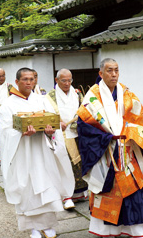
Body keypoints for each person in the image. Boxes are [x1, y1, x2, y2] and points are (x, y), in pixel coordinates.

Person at [77, 58, 143, 237]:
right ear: (101, 74)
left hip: (127, 151)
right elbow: (84, 126)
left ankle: (139, 229)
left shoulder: (126, 93)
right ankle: (106, 230)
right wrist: (107, 138)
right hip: (105, 153)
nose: (114, 74)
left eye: (116, 70)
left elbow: (140, 120)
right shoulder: (92, 97)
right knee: (107, 191)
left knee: (135, 189)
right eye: (109, 71)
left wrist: (131, 133)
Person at [0, 67, 75, 238]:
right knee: (28, 190)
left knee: (48, 186)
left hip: (43, 151)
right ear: (17, 82)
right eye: (25, 79)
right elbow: (5, 132)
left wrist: (50, 132)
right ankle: (33, 228)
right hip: (22, 154)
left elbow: (53, 125)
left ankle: (47, 225)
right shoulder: (8, 105)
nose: (28, 83)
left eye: (32, 79)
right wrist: (20, 133)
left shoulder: (42, 100)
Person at [46, 69, 87, 210]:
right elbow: (46, 115)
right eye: (64, 80)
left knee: (79, 163)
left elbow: (84, 109)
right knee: (64, 164)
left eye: (70, 80)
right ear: (56, 80)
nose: (67, 83)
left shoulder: (77, 93)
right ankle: (66, 196)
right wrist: (57, 122)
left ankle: (79, 193)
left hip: (77, 132)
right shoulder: (49, 97)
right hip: (60, 135)